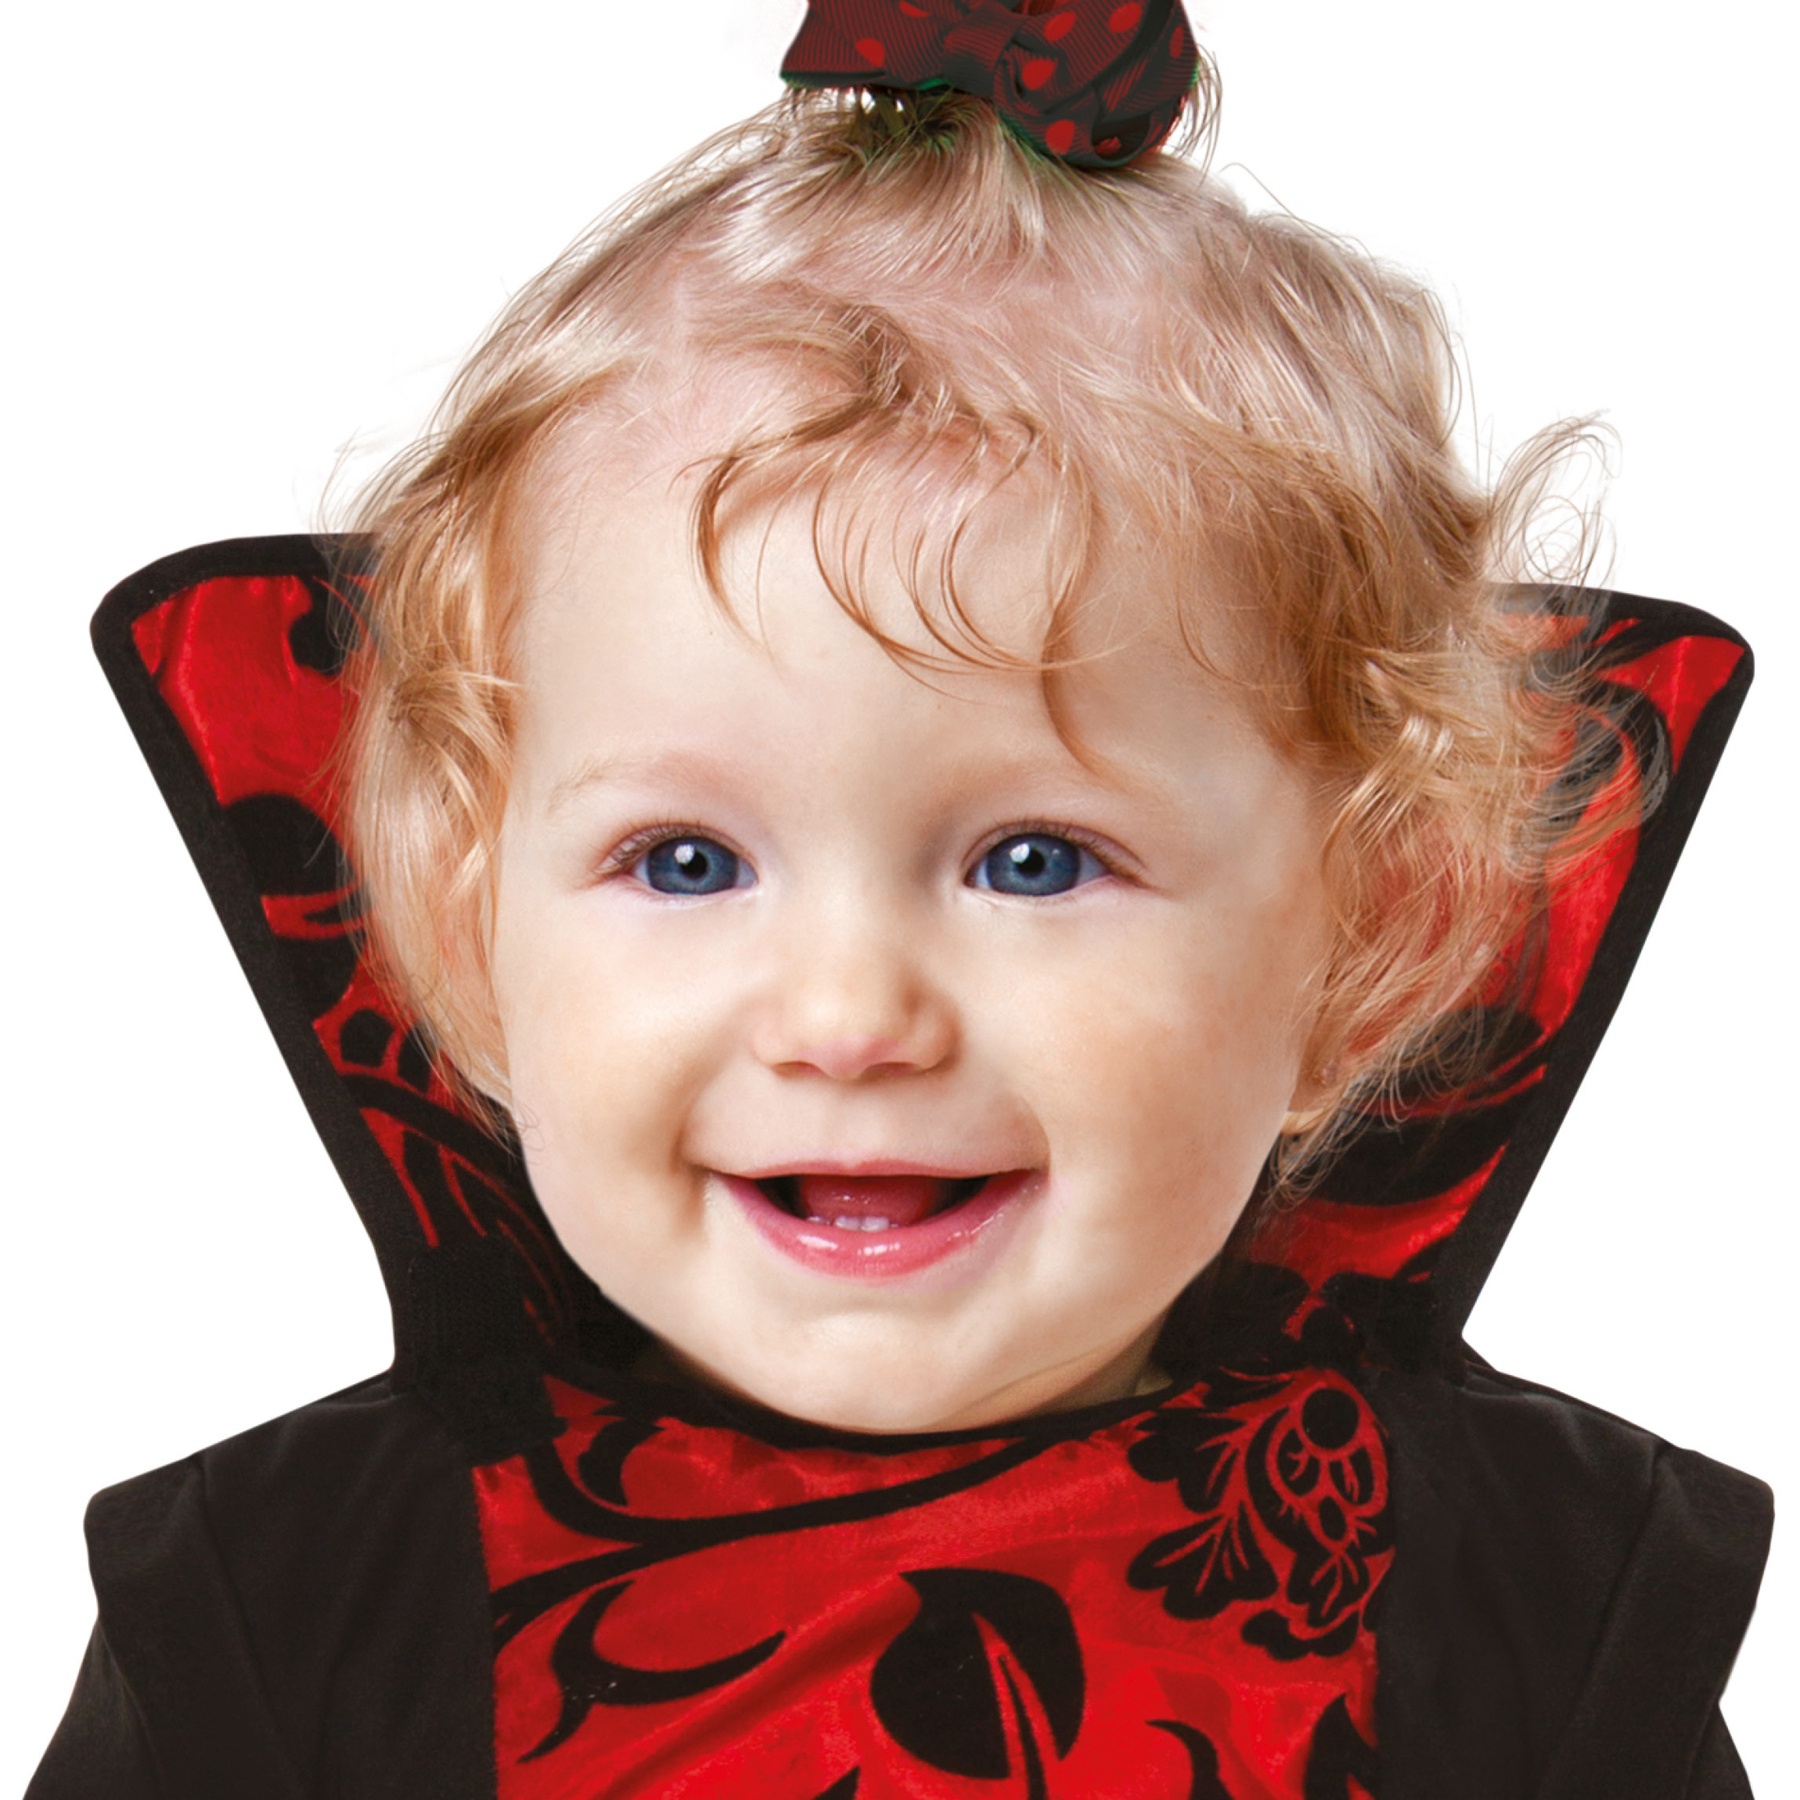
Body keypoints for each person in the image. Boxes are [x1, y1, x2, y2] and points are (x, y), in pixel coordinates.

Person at [27, 4, 1769, 1795]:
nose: (849, 1018)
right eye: (686, 861)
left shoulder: (1515, 1623)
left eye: (1036, 861)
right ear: (471, 929)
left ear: (1363, 937)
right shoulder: (298, 1627)